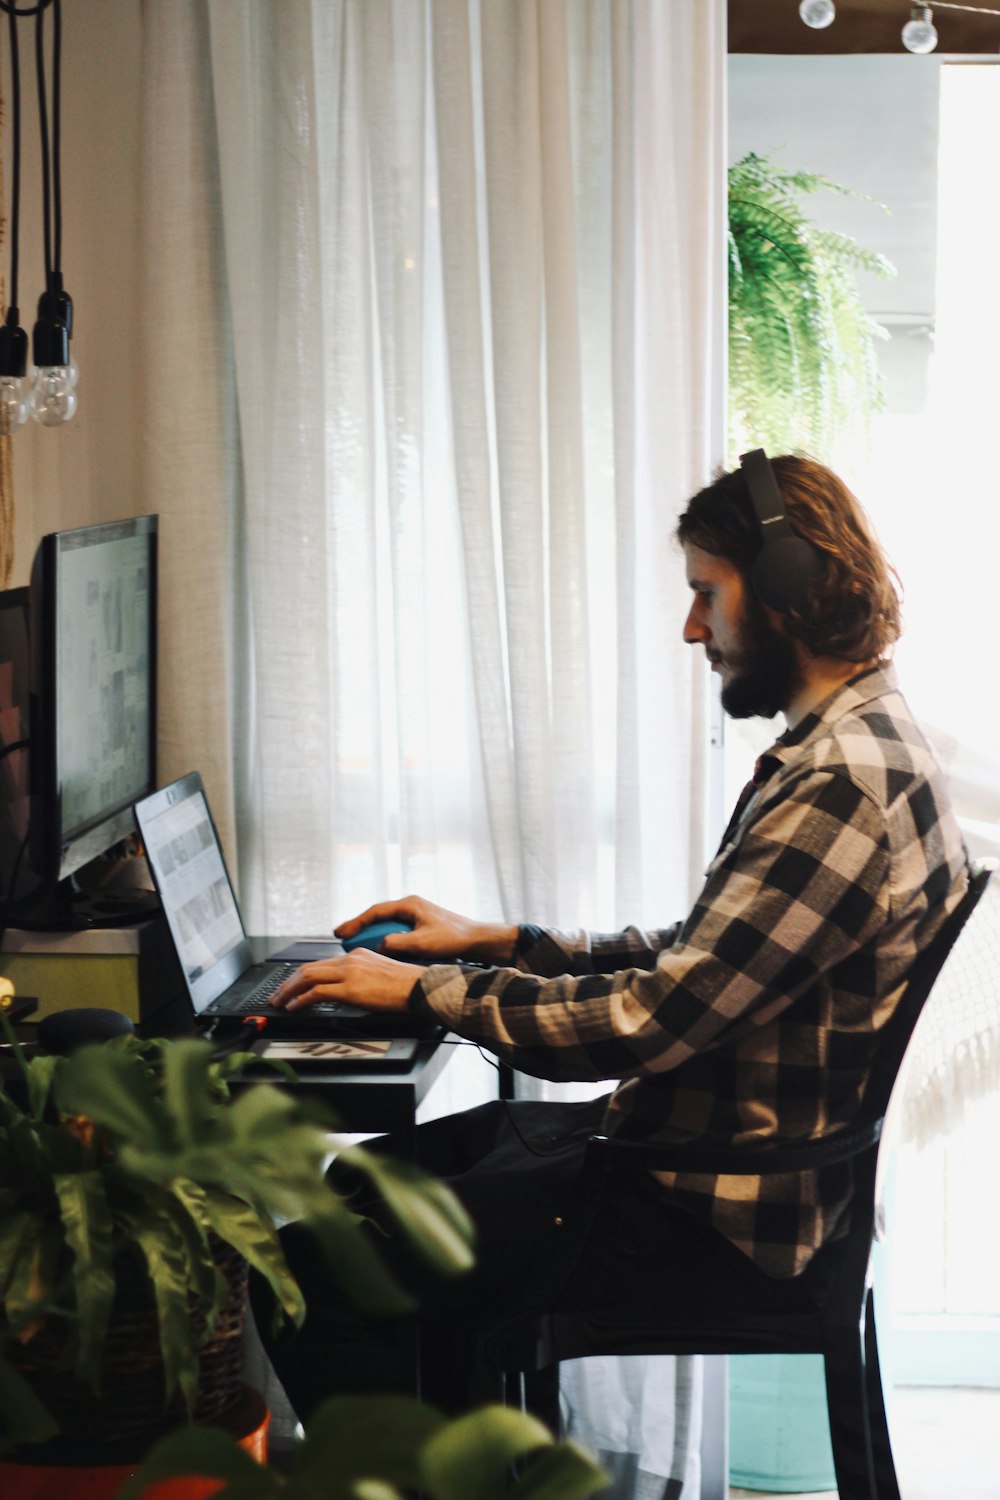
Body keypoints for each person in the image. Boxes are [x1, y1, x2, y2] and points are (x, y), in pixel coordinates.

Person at [253, 453, 968, 1419]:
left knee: (310, 1270)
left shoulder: (840, 785)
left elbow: (646, 1024)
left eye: (705, 595)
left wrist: (424, 993)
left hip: (711, 1215)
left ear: (790, 591)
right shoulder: (860, 738)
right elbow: (704, 956)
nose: (692, 628)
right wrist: (503, 939)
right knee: (366, 1179)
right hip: (700, 1168)